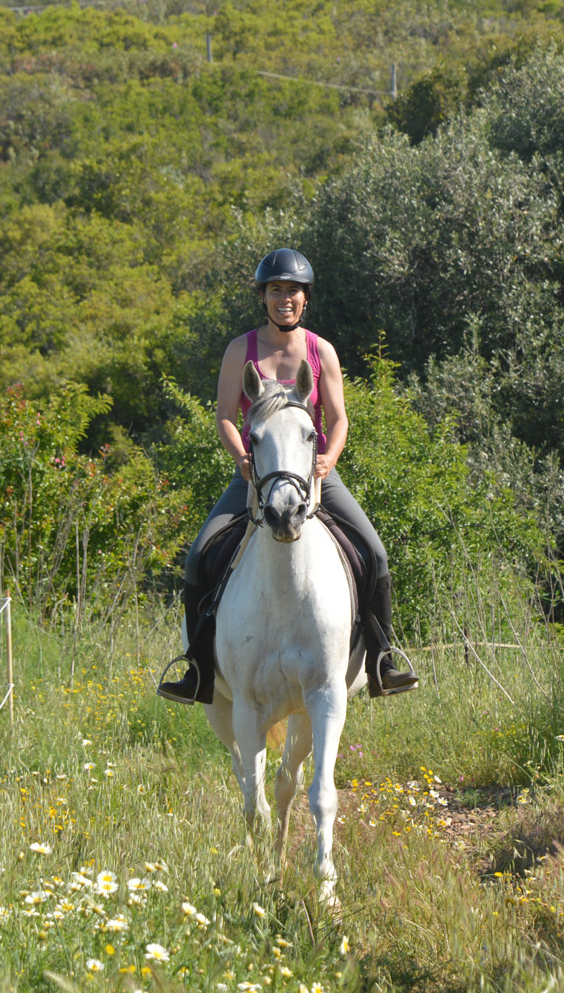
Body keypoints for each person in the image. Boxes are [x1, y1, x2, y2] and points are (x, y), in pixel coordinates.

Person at [158, 247, 419, 705]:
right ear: (264, 296)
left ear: (305, 298)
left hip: (312, 475)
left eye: (293, 290)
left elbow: (337, 420)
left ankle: (383, 661)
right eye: (276, 289)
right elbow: (223, 415)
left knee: (375, 554)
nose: (285, 298)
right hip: (254, 474)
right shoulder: (241, 350)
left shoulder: (322, 352)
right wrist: (241, 457)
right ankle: (197, 669)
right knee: (199, 557)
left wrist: (329, 459)